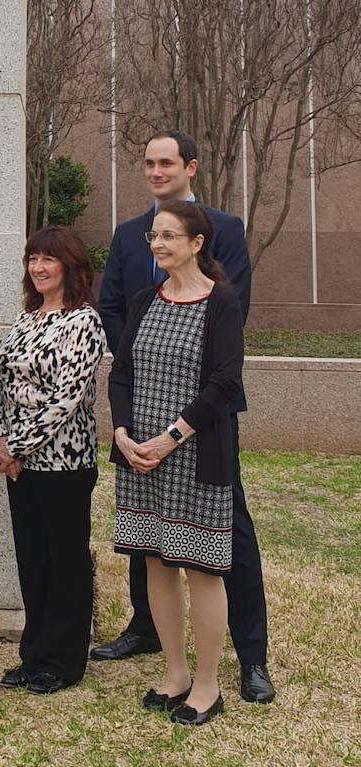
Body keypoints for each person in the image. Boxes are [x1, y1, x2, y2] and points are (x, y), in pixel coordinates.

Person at [94, 130, 274, 706]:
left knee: (226, 535)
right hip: (140, 406)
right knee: (151, 537)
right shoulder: (127, 237)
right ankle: (150, 634)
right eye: (147, 163)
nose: (155, 171)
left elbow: (231, 317)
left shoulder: (225, 230)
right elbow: (113, 310)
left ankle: (250, 658)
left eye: (165, 162)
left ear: (189, 168)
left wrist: (178, 421)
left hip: (203, 417)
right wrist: (131, 409)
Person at [109, 200, 243, 725]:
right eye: (154, 237)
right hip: (139, 456)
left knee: (202, 570)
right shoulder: (144, 301)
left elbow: (224, 384)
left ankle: (207, 687)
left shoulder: (221, 305)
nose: (159, 244)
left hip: (192, 458)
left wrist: (168, 439)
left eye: (169, 236)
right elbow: (123, 374)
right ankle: (175, 675)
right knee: (155, 564)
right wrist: (122, 434)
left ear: (196, 243)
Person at [0, 227, 107, 695]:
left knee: (65, 561)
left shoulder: (85, 322)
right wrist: (1, 441)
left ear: (70, 266)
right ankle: (33, 653)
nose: (39, 267)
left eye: (49, 259)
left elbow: (66, 399)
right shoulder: (26, 319)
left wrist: (15, 444)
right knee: (33, 560)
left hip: (64, 463)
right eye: (33, 258)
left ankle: (63, 661)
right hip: (21, 465)